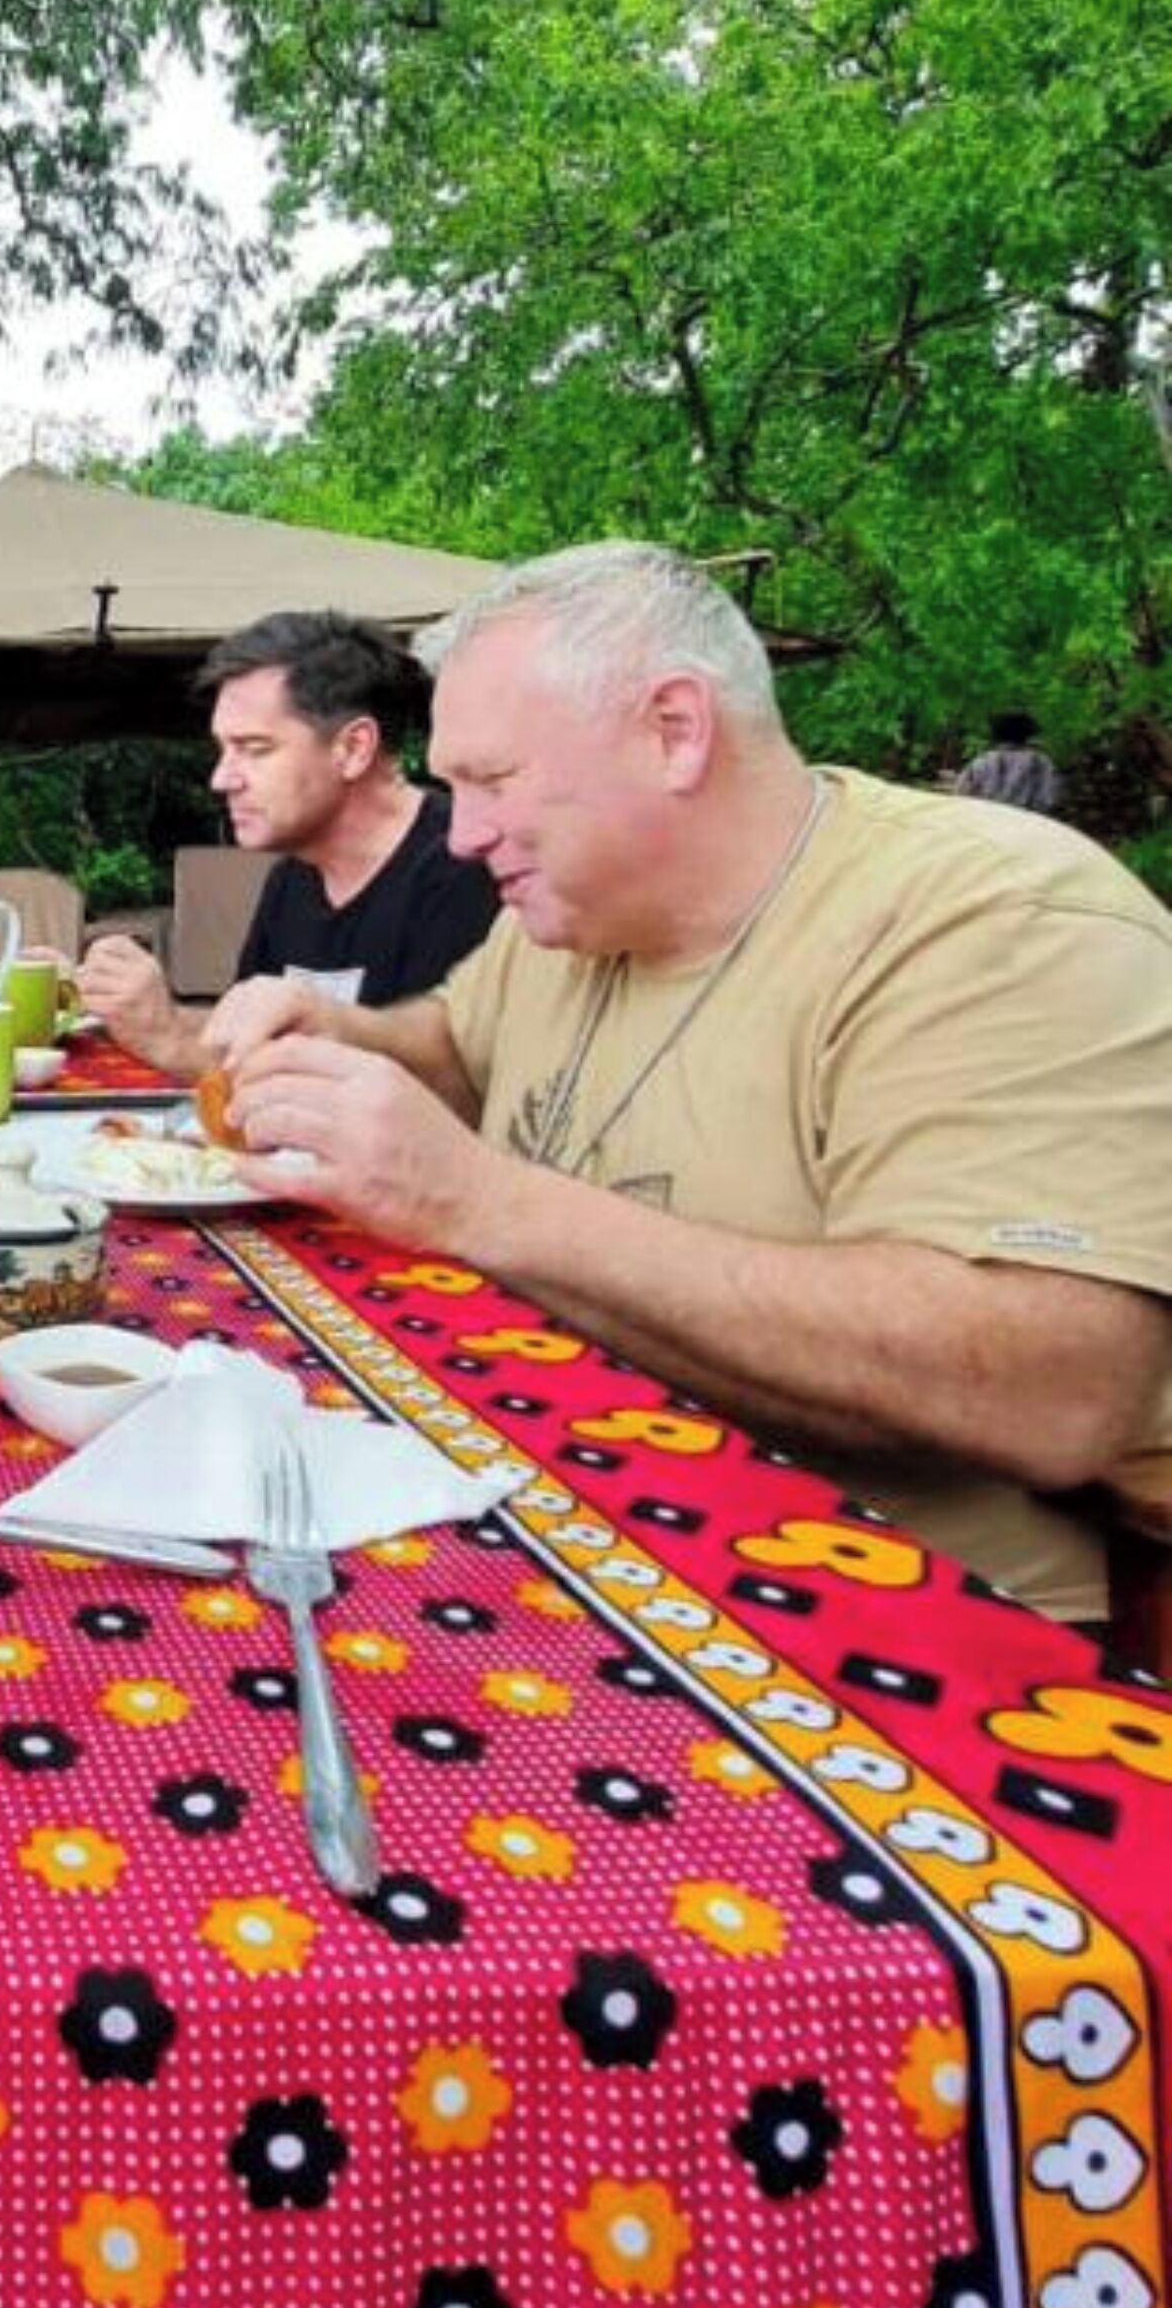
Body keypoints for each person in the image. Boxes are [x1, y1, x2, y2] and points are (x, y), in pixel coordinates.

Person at [200, 541, 1172, 1625]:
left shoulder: (994, 919)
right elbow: (462, 1053)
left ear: (674, 730)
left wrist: (478, 1203)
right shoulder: (573, 917)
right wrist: (336, 1032)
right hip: (555, 1516)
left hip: (865, 1623)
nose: (463, 838)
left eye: (494, 783)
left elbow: (1052, 1389)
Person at [76, 608, 500, 1067]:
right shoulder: (292, 879)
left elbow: (444, 1083)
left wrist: (171, 1034)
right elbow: (248, 1047)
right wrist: (141, 1013)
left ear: (353, 748)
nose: (222, 779)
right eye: (223, 750)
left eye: (255, 749)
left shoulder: (466, 867)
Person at [952, 708, 1065, 818]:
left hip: (987, 824)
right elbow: (1049, 800)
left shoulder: (982, 762)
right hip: (1027, 826)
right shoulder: (1041, 763)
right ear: (1028, 734)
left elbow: (962, 795)